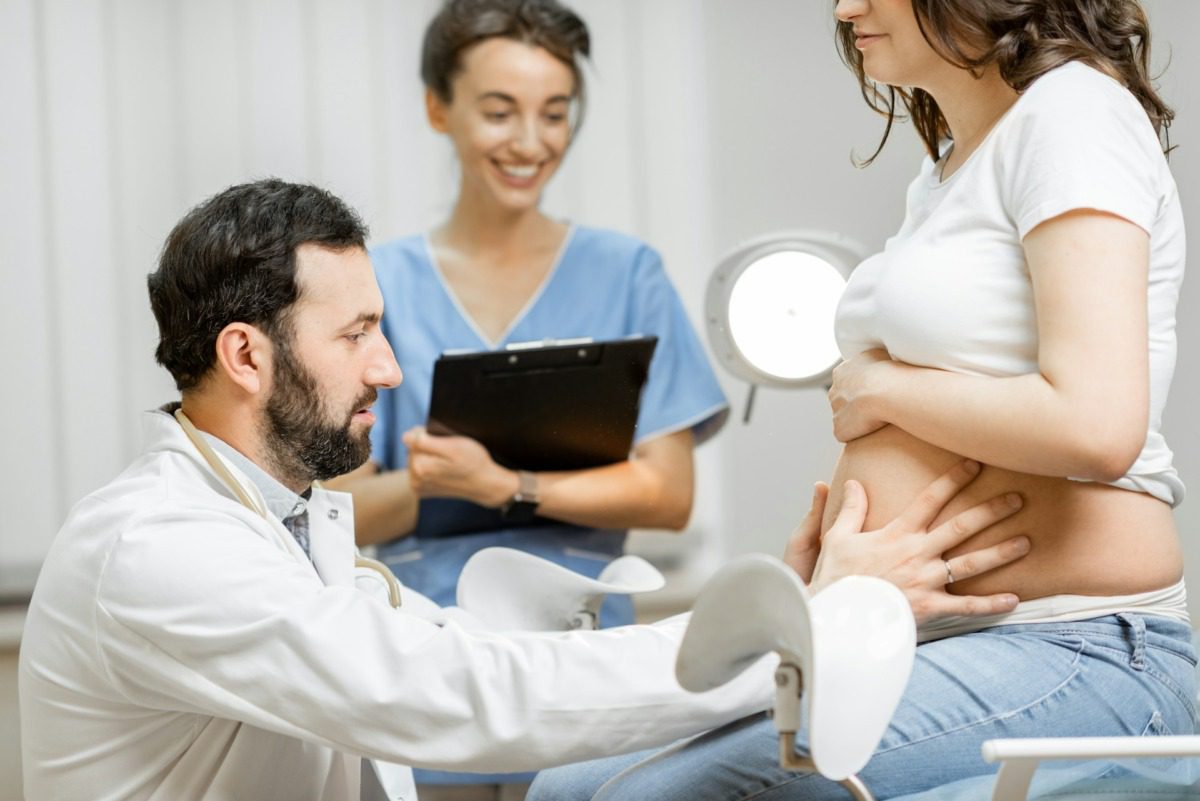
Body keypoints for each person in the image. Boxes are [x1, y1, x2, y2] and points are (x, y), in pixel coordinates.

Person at [17, 178, 1032, 801]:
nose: (386, 370)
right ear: (246, 355)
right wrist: (797, 638)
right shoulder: (158, 548)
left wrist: (773, 609)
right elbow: (456, 696)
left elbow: (465, 650)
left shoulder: (296, 519)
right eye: (357, 335)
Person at [527, 0, 1193, 799]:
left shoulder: (1074, 113)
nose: (845, 9)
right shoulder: (949, 164)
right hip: (921, 634)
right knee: (565, 785)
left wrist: (881, 386)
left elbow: (1098, 424)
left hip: (1079, 642)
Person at [331, 0, 726, 633]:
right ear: (439, 108)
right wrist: (443, 482)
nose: (530, 143)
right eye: (498, 112)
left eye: (554, 113)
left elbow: (669, 494)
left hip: (586, 632)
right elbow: (338, 506)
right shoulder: (378, 284)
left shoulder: (627, 273)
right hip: (426, 634)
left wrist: (507, 484)